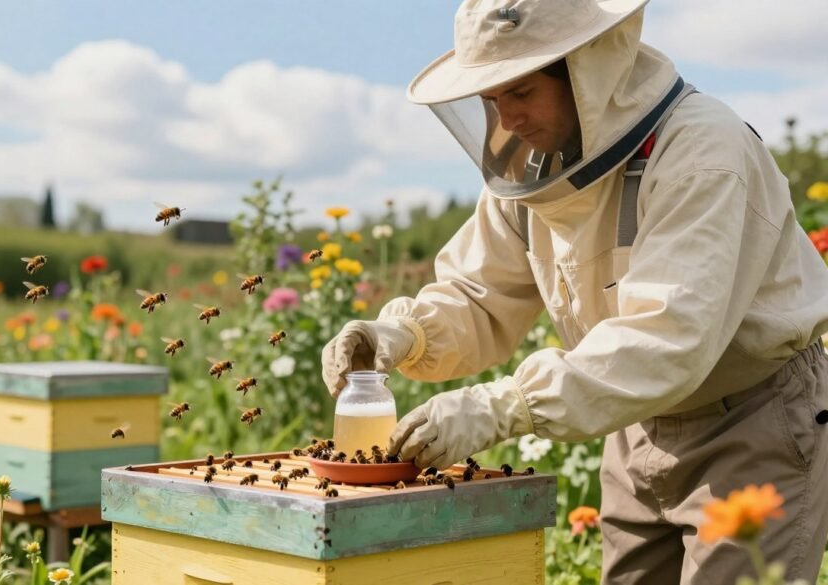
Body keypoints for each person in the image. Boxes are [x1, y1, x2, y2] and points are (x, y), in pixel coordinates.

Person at [320, 0, 828, 582]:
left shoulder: (702, 151)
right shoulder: (531, 167)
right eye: (491, 100)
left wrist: (505, 405)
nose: (506, 119)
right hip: (634, 425)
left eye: (521, 92)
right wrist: (404, 334)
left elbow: (667, 338)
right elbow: (479, 292)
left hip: (752, 422)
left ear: (588, 72)